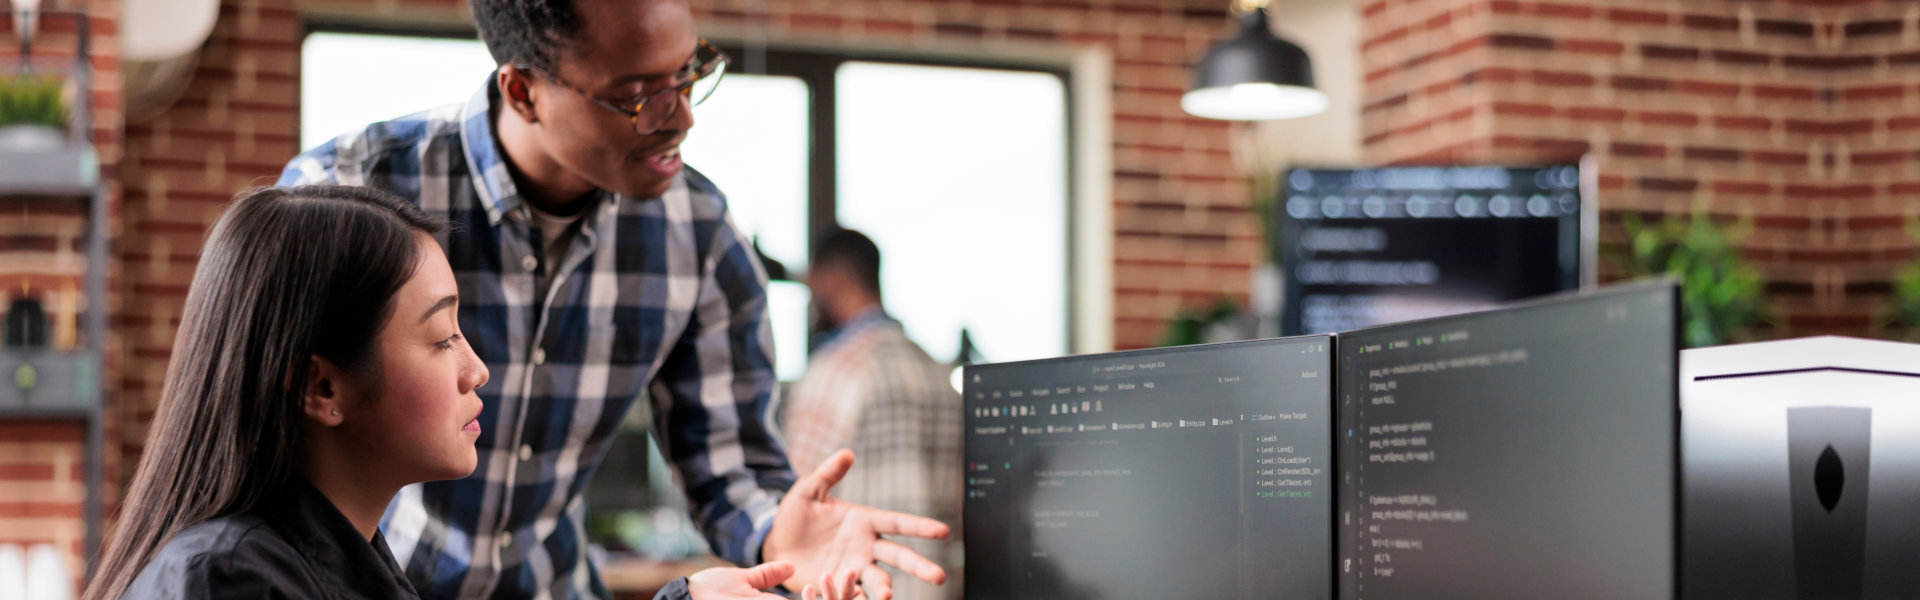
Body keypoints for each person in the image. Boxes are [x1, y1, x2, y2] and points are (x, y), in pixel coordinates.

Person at [277, 0, 947, 597]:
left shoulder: (699, 235)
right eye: (637, 94)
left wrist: (780, 536)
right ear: (523, 91)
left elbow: (730, 460)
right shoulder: (352, 192)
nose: (680, 116)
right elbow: (265, 447)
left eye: (689, 73)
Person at [79, 186, 810, 600]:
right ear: (322, 386)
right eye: (441, 338)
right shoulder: (230, 582)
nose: (477, 369)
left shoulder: (347, 563)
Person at [779, 229, 964, 600]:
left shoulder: (834, 372)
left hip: (867, 591)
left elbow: (793, 499)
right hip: (943, 587)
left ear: (834, 280)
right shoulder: (938, 372)